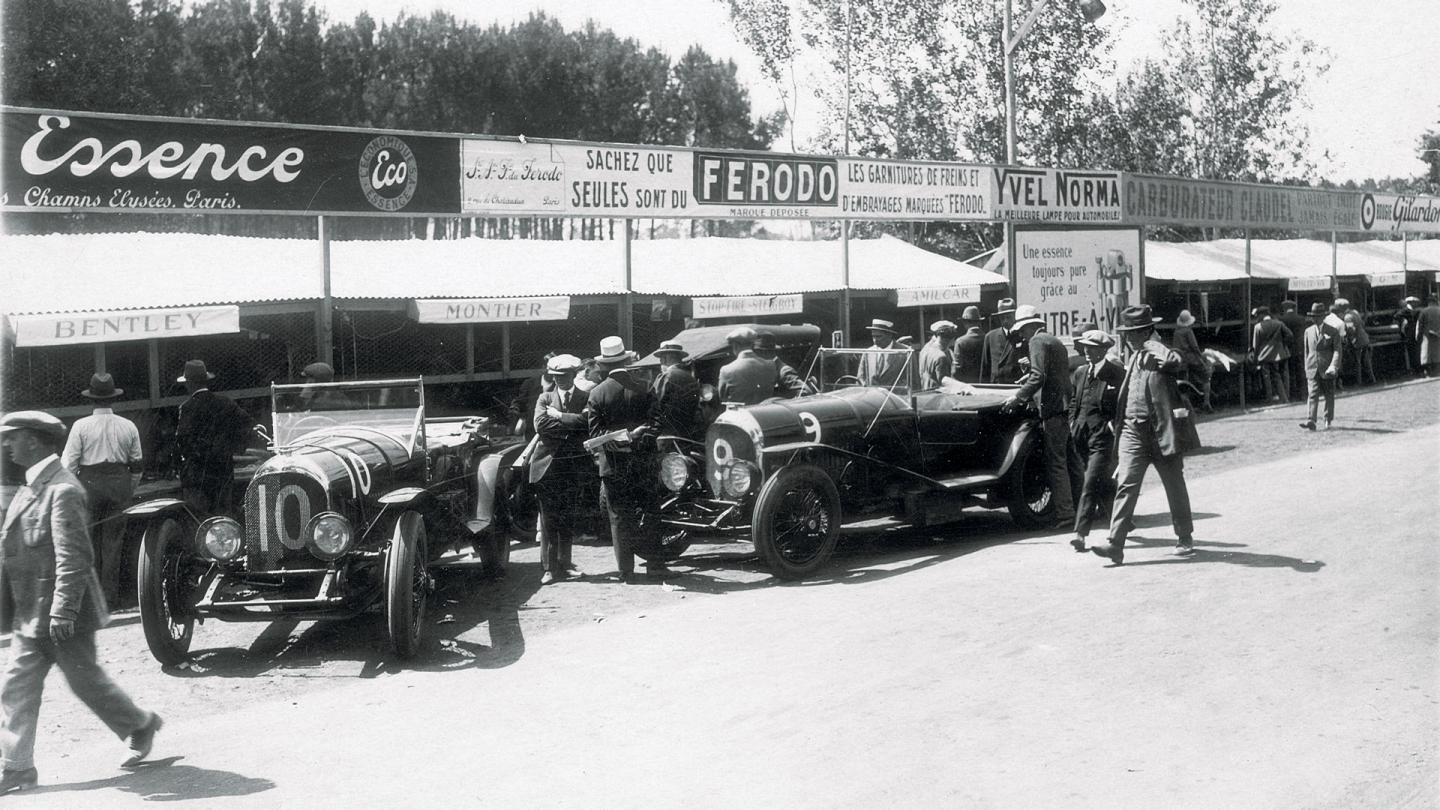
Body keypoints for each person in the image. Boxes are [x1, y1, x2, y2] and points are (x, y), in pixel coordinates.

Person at [1, 411, 164, 794]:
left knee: (86, 683)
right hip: (31, 614)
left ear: (36, 442)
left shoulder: (63, 489)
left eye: (14, 437)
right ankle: (16, 767)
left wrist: (64, 610)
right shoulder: (29, 487)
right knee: (15, 687)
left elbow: (73, 557)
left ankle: (140, 724)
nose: (7, 444)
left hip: (63, 614)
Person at [1088, 305, 1201, 565]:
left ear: (1146, 331)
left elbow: (1175, 360)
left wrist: (1152, 344)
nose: (1127, 338)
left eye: (1133, 333)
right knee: (1126, 484)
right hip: (1132, 430)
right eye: (1126, 332)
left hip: (1160, 432)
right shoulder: (1135, 356)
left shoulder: (1156, 351)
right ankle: (1115, 543)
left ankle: (1185, 537)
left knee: (1174, 485)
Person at [585, 337, 665, 582]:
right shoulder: (645, 386)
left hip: (613, 464)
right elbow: (657, 424)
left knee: (619, 517)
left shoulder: (597, 393)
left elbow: (595, 435)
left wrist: (622, 439)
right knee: (651, 509)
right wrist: (636, 438)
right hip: (644, 461)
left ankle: (626, 571)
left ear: (604, 365)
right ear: (627, 360)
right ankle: (655, 565)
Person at [60, 374, 143, 607]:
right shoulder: (128, 426)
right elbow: (137, 464)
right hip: (119, 486)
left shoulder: (80, 426)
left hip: (89, 487)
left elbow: (68, 465)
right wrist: (127, 488)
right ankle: (110, 598)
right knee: (113, 543)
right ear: (113, 400)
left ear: (91, 400)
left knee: (87, 541)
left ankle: (90, 601)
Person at [1002, 305, 1075, 525]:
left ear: (1029, 327)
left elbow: (1039, 376)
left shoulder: (1036, 341)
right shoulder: (1053, 340)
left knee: (1056, 463)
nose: (1022, 336)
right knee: (1071, 460)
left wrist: (1018, 396)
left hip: (1052, 409)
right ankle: (1083, 507)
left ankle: (1066, 514)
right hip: (1062, 406)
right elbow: (1051, 374)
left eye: (1023, 330)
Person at [531, 355, 591, 585]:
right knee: (548, 519)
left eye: (564, 377)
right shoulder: (544, 397)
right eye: (556, 377)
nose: (560, 381)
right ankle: (549, 569)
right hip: (546, 467)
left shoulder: (586, 397)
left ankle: (565, 565)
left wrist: (559, 417)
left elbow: (587, 424)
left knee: (568, 517)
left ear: (574, 375)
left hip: (573, 466)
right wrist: (570, 425)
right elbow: (540, 425)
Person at [174, 360, 254, 516]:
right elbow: (247, 422)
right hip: (223, 467)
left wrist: (186, 458)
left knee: (199, 514)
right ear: (206, 380)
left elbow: (182, 439)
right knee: (223, 510)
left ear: (189, 384)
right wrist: (234, 447)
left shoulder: (187, 407)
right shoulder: (226, 403)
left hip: (198, 471)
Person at [1066, 330, 1123, 551]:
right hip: (1080, 434)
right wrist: (1072, 422)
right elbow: (1074, 401)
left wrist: (1112, 424)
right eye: (1085, 347)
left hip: (1103, 436)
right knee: (1103, 482)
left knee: (1089, 482)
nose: (1087, 351)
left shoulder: (1116, 373)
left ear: (1103, 350)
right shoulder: (1080, 372)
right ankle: (1123, 521)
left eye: (1092, 347)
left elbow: (1123, 402)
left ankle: (1080, 534)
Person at [1298, 301, 1344, 431]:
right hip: (1313, 368)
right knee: (1312, 394)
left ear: (1323, 317)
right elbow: (1307, 351)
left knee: (1329, 395)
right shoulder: (1308, 331)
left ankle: (1327, 419)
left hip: (1327, 367)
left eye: (1317, 316)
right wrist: (1307, 367)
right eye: (1313, 316)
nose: (1314, 318)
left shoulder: (1332, 331)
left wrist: (1334, 366)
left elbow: (1337, 350)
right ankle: (1311, 420)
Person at [650, 340, 703, 441]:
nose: (660, 362)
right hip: (689, 433)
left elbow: (655, 407)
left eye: (661, 358)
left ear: (664, 359)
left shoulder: (666, 376)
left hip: (668, 435)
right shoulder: (691, 377)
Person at [717, 327, 778, 406]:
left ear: (735, 346)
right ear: (752, 344)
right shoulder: (771, 365)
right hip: (765, 415)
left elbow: (722, 398)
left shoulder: (727, 370)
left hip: (740, 415)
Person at [1250, 306, 1293, 403]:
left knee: (1267, 377)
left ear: (1262, 315)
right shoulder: (1278, 323)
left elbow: (1255, 345)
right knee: (1280, 375)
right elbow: (1290, 335)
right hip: (1280, 353)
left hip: (1265, 356)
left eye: (1258, 316)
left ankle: (1270, 399)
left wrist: (1256, 360)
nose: (1257, 318)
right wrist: (1283, 344)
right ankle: (1285, 397)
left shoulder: (1258, 327)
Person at [1172, 310, 1212, 411]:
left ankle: (1187, 406)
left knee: (1184, 382)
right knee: (1205, 376)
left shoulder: (1176, 332)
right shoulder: (1188, 331)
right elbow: (1194, 346)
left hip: (1180, 360)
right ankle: (1206, 402)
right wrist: (1201, 358)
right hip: (1191, 358)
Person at [980, 298, 1024, 383]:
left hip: (1014, 386)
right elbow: (985, 369)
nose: (1005, 320)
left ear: (1015, 316)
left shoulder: (1021, 335)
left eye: (1008, 317)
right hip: (996, 386)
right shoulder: (990, 337)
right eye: (1002, 318)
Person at [753, 332, 807, 399]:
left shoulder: (784, 371)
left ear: (765, 352)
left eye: (756, 353)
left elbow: (805, 391)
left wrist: (785, 404)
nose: (755, 356)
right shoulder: (766, 369)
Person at [857, 319, 907, 387]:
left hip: (894, 396)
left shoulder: (904, 353)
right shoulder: (868, 353)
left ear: (889, 335)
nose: (875, 340)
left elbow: (913, 383)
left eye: (879, 336)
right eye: (873, 336)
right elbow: (860, 379)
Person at [1279, 300, 1309, 399]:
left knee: (1290, 372)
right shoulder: (1301, 318)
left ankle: (1293, 394)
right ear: (1293, 308)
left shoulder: (1282, 319)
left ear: (1284, 309)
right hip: (1300, 348)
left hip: (1288, 348)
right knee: (1301, 370)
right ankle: (1303, 394)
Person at [917, 320, 958, 389]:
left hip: (925, 391)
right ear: (949, 337)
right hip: (939, 395)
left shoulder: (925, 350)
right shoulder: (941, 357)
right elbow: (945, 382)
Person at [1342, 304, 1375, 386]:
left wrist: (1351, 340)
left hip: (1357, 341)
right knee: (1366, 361)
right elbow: (1362, 324)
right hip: (1364, 338)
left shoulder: (1347, 317)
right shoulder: (1355, 312)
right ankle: (1372, 379)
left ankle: (1358, 382)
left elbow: (1350, 330)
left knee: (1357, 362)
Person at [953, 306, 985, 383]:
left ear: (965, 323)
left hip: (967, 385)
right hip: (985, 383)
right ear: (979, 322)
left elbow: (957, 369)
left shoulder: (960, 341)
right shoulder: (988, 338)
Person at [1396, 296, 1423, 376]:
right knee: (1414, 352)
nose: (1415, 304)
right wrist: (1404, 321)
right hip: (1410, 334)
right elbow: (1397, 316)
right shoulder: (1407, 311)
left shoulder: (1408, 311)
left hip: (1410, 333)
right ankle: (1416, 369)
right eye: (1414, 303)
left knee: (1413, 352)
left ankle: (1415, 369)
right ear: (1411, 303)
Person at [1420, 295, 1440, 378]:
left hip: (1426, 335)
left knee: (1426, 353)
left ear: (1429, 302)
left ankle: (1427, 372)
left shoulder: (1423, 311)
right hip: (1438, 335)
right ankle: (1437, 371)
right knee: (1437, 353)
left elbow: (1420, 324)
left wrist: (1419, 335)